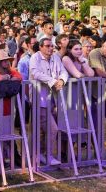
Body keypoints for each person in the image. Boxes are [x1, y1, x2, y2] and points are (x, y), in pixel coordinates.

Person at [29, 38, 68, 166]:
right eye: (47, 46)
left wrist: (61, 80)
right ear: (40, 47)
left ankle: (40, 154)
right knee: (52, 129)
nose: (50, 48)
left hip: (53, 99)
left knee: (43, 129)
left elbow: (63, 71)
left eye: (52, 46)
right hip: (39, 98)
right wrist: (52, 81)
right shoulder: (35, 58)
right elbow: (35, 73)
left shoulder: (55, 57)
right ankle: (46, 155)